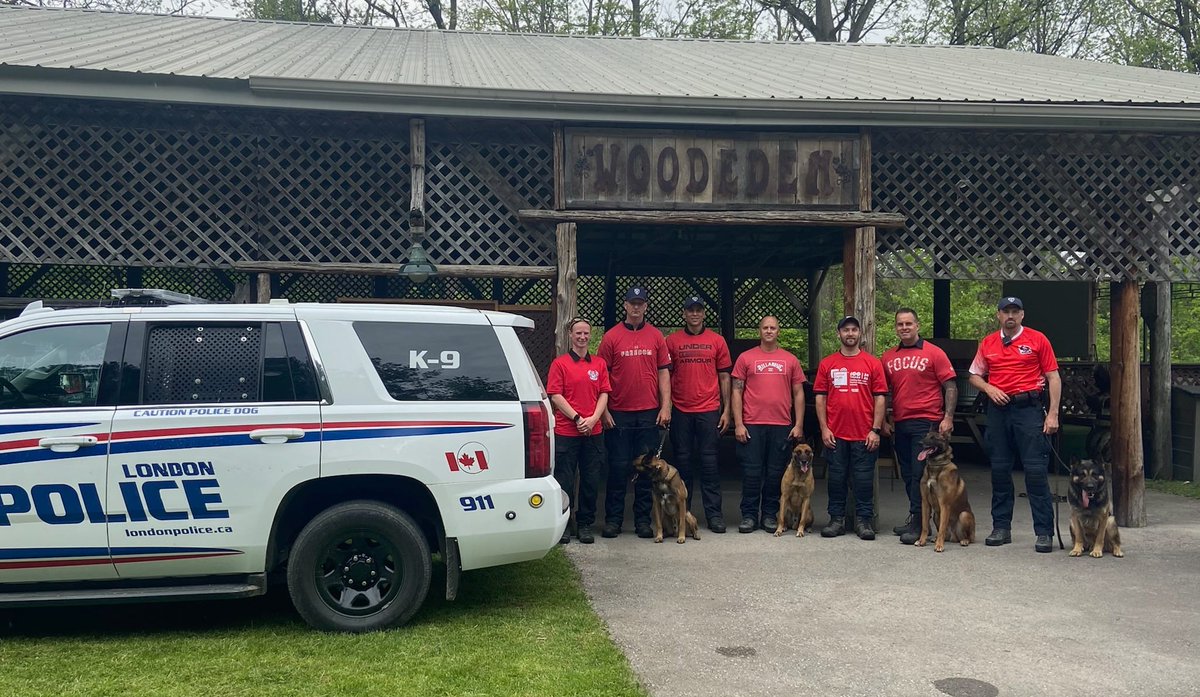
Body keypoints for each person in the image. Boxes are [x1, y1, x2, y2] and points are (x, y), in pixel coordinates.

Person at [968, 296, 1061, 553]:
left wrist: (1052, 414)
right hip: (998, 411)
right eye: (1005, 311)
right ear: (998, 315)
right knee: (999, 470)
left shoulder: (1037, 339)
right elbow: (974, 374)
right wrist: (988, 388)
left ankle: (1044, 532)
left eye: (1015, 312)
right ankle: (1001, 528)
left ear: (1022, 315)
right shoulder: (988, 342)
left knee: (1035, 471)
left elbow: (1053, 377)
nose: (1010, 316)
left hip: (1029, 409)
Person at [597, 286, 672, 539]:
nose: (637, 307)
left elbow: (664, 372)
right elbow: (601, 376)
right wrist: (604, 410)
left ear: (646, 306)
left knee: (646, 469)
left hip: (649, 412)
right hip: (618, 413)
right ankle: (614, 521)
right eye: (633, 303)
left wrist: (666, 406)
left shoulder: (656, 337)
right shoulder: (611, 337)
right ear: (626, 306)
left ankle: (642, 521)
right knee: (617, 468)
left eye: (641, 303)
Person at [881, 308, 957, 545]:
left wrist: (948, 417)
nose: (904, 328)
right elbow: (882, 392)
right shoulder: (888, 357)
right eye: (900, 324)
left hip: (927, 422)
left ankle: (919, 524)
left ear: (917, 325)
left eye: (908, 324)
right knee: (907, 472)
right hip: (901, 422)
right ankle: (916, 514)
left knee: (919, 473)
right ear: (896, 328)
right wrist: (883, 420)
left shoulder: (934, 353)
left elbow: (951, 386)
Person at [814, 316, 888, 540]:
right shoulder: (828, 363)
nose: (850, 334)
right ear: (839, 334)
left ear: (859, 334)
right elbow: (820, 398)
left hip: (865, 435)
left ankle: (863, 521)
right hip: (835, 434)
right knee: (836, 479)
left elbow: (880, 398)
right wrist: (824, 429)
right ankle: (836, 520)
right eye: (845, 330)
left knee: (863, 480)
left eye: (854, 330)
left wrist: (875, 430)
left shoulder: (872, 363)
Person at [730, 315, 806, 534]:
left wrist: (798, 423)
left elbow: (798, 392)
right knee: (751, 473)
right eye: (765, 327)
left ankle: (770, 515)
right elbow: (736, 390)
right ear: (759, 331)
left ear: (778, 331)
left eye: (773, 328)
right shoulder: (746, 358)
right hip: (752, 424)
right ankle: (749, 515)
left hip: (781, 425)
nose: (769, 331)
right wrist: (738, 423)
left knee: (775, 474)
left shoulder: (790, 360)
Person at [665, 295, 733, 533]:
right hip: (681, 410)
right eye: (690, 310)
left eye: (698, 310)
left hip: (709, 410)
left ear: (704, 314)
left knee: (710, 464)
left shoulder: (717, 341)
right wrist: (667, 406)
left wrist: (726, 410)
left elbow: (725, 376)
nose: (694, 314)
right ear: (684, 314)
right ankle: (684, 514)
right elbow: (665, 376)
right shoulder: (672, 341)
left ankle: (714, 515)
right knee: (682, 464)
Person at [547, 317, 611, 545]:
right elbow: (555, 394)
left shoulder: (599, 364)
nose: (582, 337)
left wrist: (593, 419)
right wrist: (576, 418)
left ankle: (585, 524)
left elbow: (604, 393)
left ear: (590, 335)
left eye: (586, 333)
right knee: (564, 480)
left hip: (593, 433)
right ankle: (565, 525)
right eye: (578, 333)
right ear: (570, 336)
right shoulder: (560, 364)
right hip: (567, 431)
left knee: (591, 480)